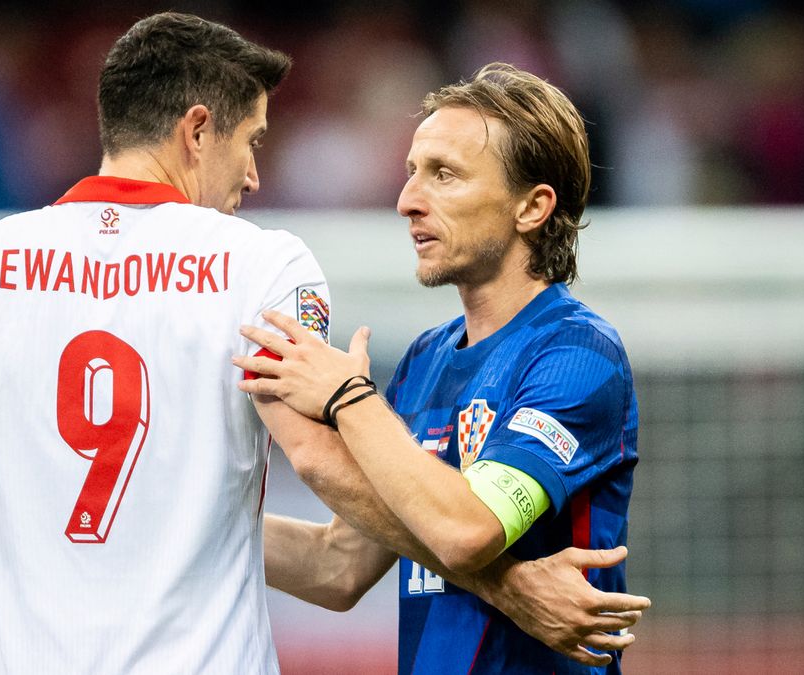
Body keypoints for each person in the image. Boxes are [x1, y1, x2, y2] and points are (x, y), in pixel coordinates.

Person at [0, 12, 311, 673]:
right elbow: (319, 459)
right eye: (251, 143)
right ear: (196, 131)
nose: (252, 177)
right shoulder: (263, 265)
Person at [239, 62, 645, 673]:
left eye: (444, 176)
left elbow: (465, 530)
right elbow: (339, 566)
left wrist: (348, 399)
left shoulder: (577, 355)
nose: (407, 201)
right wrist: (189, 520)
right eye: (411, 174)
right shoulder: (426, 361)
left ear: (532, 207)